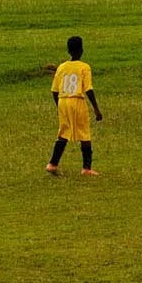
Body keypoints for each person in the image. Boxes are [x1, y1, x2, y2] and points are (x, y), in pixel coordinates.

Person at [46, 35, 103, 177]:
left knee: (63, 133)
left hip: (62, 100)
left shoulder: (62, 67)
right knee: (84, 133)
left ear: (68, 50)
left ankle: (52, 164)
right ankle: (86, 168)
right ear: (81, 50)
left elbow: (54, 90)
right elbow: (88, 89)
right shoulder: (84, 67)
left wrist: (58, 107)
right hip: (76, 101)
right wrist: (96, 108)